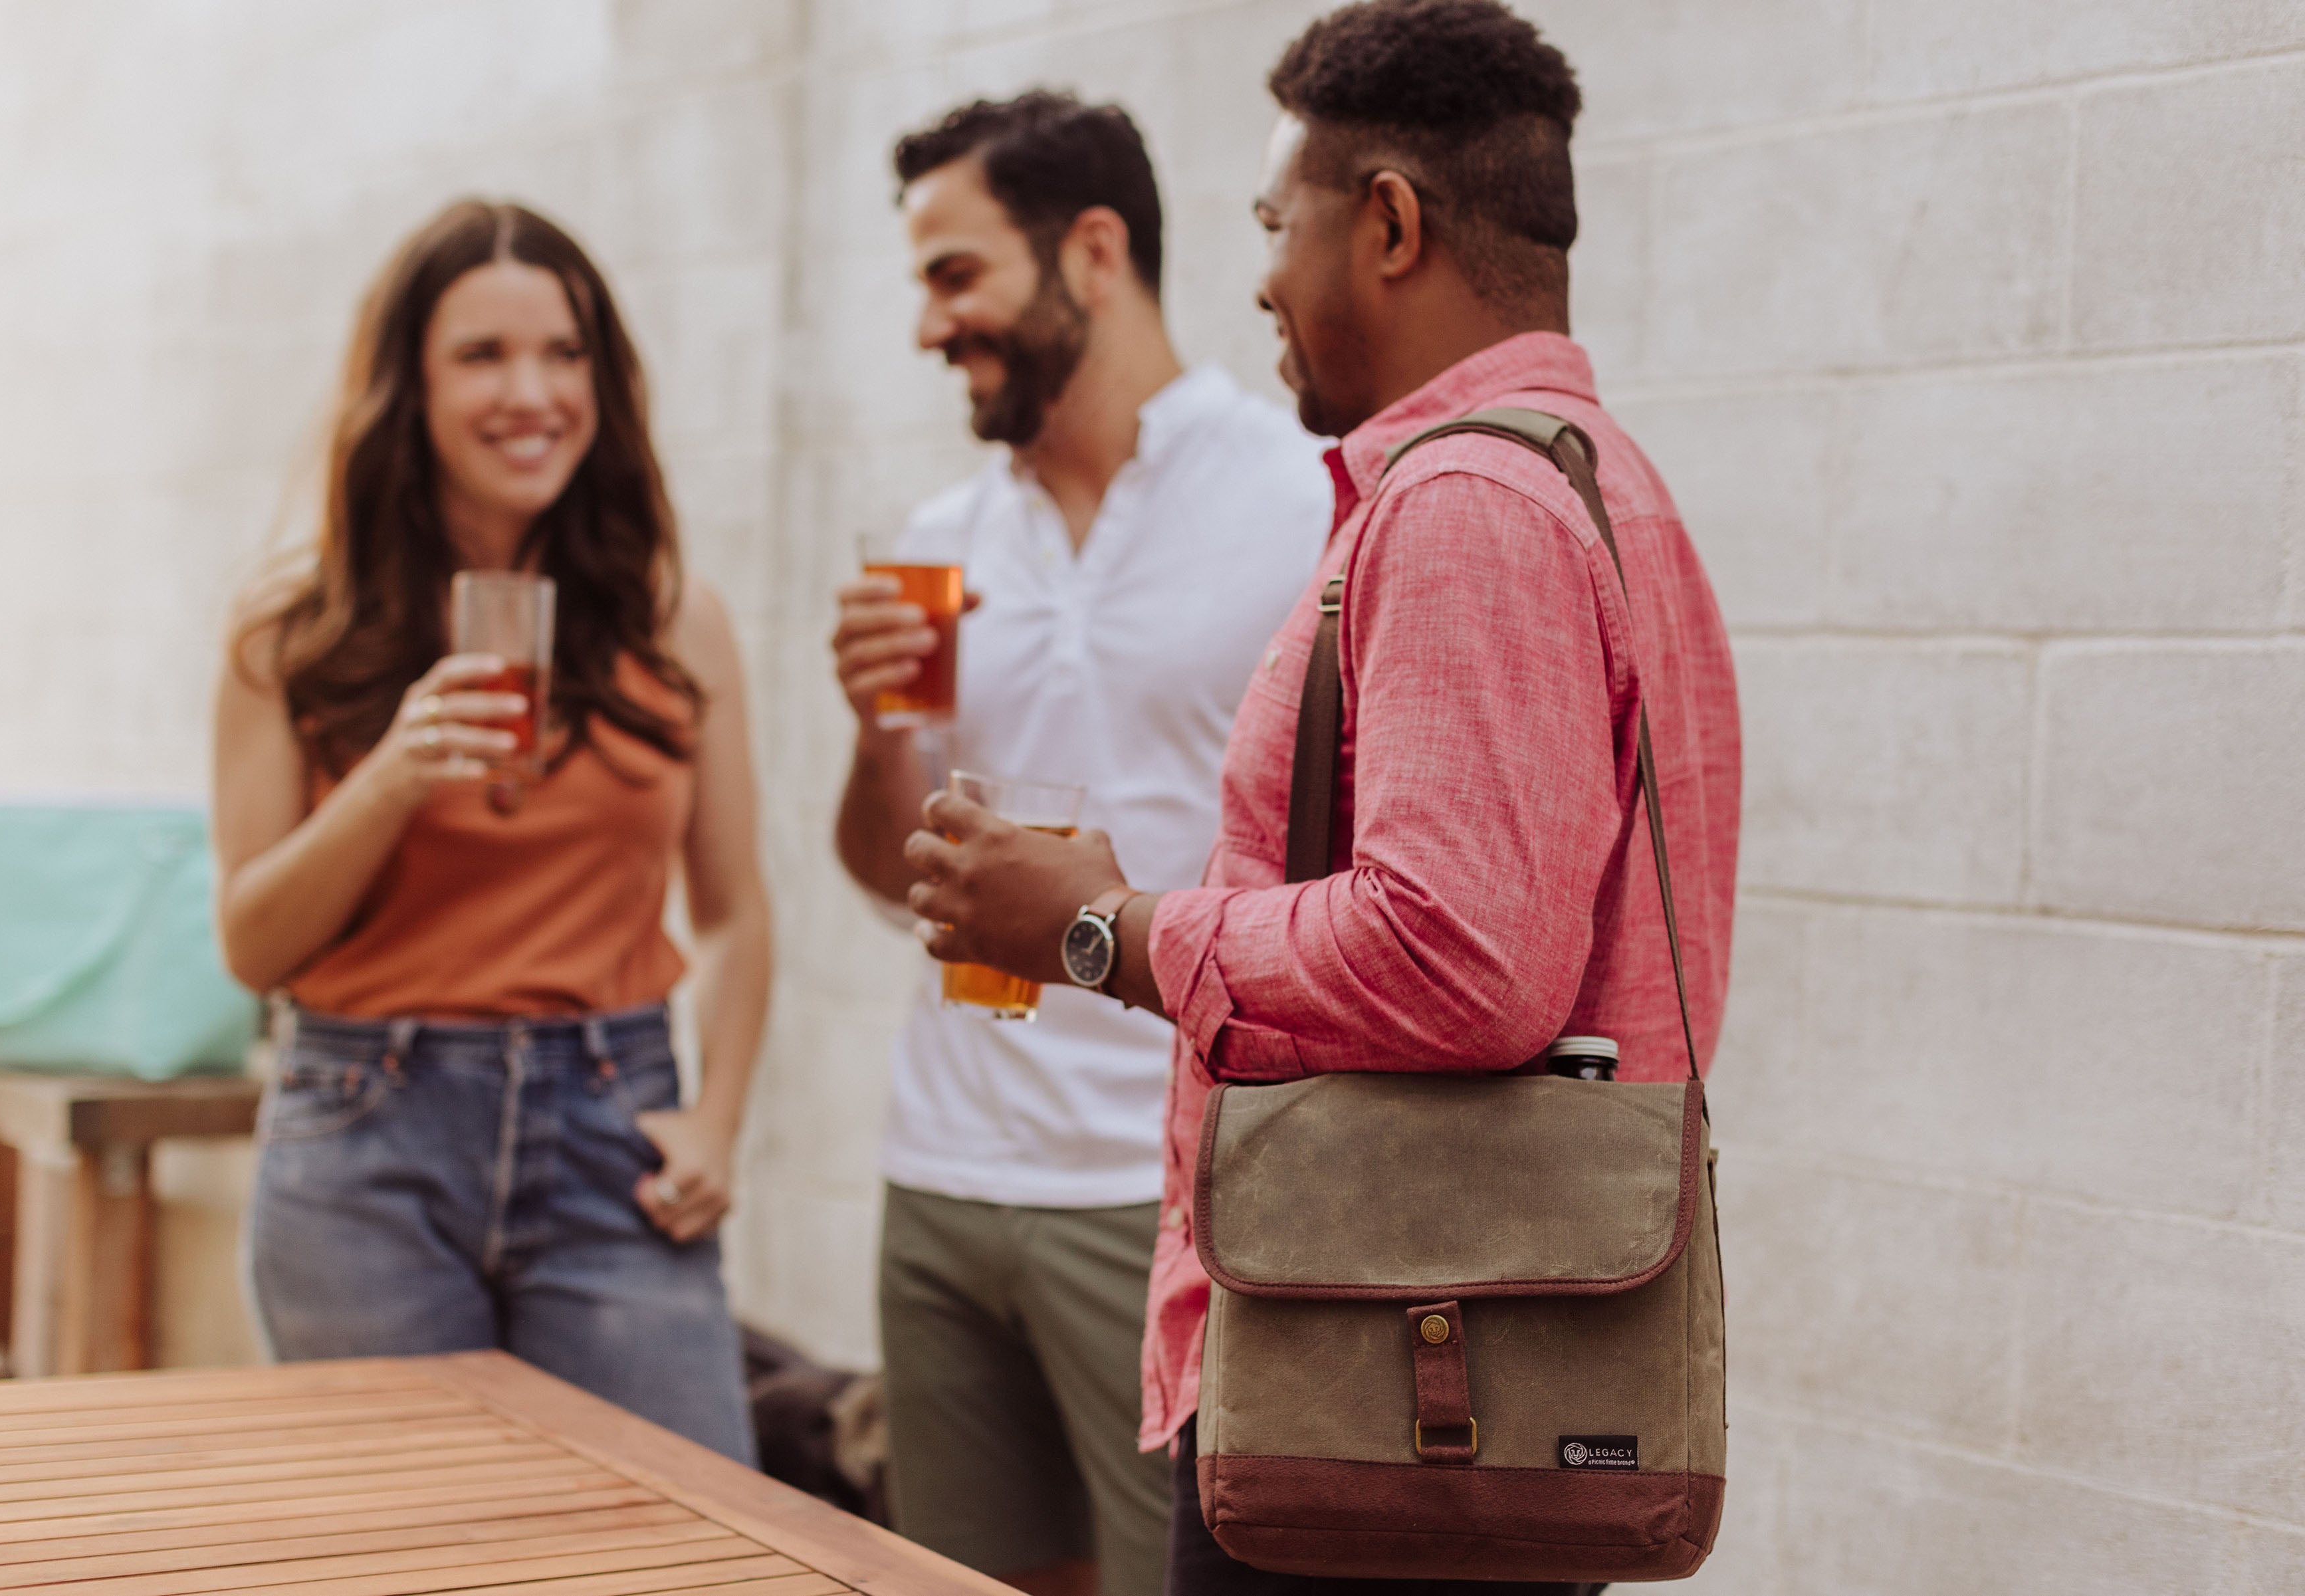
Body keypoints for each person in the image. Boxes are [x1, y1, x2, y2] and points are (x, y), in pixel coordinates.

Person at [896, 5, 1743, 1594]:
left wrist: (1099, 929)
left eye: (1278, 228)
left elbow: (1456, 957)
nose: (1266, 279)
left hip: (1383, 1390)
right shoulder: (1597, 480)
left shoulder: (1466, 504)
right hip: (1466, 1368)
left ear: (1392, 226)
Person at [830, 92, 1330, 1596]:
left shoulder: (1296, 497)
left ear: (1093, 250)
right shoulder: (940, 540)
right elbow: (884, 867)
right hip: (941, 1177)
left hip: (1154, 1188)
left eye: (956, 273)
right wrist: (871, 730)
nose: (930, 324)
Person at [213, 199, 768, 1463]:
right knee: (411, 1548)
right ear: (407, 387)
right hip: (367, 1135)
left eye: (564, 353)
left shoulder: (675, 621)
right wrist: (393, 776)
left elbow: (735, 909)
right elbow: (253, 944)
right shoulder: (288, 636)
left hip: (612, 1122)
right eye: (483, 355)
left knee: (687, 1531)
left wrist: (718, 1116)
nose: (533, 392)